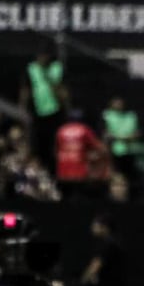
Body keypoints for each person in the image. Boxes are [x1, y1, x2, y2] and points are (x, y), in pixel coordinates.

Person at [64, 214, 124, 286]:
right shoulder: (115, 243)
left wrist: (82, 280)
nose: (92, 228)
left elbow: (95, 267)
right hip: (114, 285)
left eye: (95, 225)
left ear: (105, 228)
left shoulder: (107, 245)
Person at [19, 46, 68, 174]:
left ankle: (54, 173)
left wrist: (50, 79)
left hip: (56, 113)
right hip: (37, 113)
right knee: (37, 145)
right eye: (40, 56)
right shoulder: (31, 69)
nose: (42, 58)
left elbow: (64, 92)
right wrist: (23, 110)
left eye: (45, 56)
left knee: (55, 147)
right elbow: (25, 91)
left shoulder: (57, 68)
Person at [55, 110, 110, 200]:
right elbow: (100, 149)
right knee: (81, 199)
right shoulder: (84, 129)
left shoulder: (61, 130)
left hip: (63, 172)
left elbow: (56, 151)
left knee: (65, 199)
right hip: (79, 172)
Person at [102, 97, 140, 182]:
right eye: (116, 102)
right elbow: (105, 135)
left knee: (129, 177)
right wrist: (121, 138)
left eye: (120, 102)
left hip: (130, 152)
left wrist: (125, 138)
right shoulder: (107, 115)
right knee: (115, 176)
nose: (118, 104)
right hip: (113, 153)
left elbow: (137, 133)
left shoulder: (131, 116)